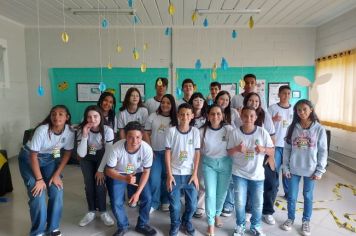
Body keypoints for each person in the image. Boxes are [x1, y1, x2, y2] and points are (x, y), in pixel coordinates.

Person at [18, 105, 75, 236]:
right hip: (29, 159)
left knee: (57, 189)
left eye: (61, 114)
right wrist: (39, 179)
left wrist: (56, 175)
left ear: (67, 117)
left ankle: (53, 228)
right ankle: (38, 231)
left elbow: (67, 153)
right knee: (37, 193)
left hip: (49, 159)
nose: (56, 117)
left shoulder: (70, 131)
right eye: (53, 114)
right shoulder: (42, 130)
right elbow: (33, 156)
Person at [281, 99, 328, 236]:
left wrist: (320, 170)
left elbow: (323, 151)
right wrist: (286, 167)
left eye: (305, 109)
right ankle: (290, 218)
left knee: (308, 196)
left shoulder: (319, 129)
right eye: (299, 110)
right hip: (294, 169)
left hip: (311, 170)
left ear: (311, 110)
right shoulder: (292, 127)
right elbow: (287, 149)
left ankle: (306, 221)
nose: (302, 112)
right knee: (292, 196)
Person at [227, 106, 274, 236]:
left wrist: (263, 149)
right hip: (239, 174)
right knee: (240, 202)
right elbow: (228, 152)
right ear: (241, 117)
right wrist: (237, 149)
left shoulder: (262, 132)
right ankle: (240, 226)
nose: (248, 118)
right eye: (245, 116)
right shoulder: (235, 132)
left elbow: (272, 151)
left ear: (256, 117)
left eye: (251, 116)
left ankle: (255, 226)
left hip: (257, 175)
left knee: (258, 204)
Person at [105, 121, 157, 236]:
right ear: (125, 136)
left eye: (138, 137)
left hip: (138, 173)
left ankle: (142, 224)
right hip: (118, 173)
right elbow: (108, 170)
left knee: (147, 197)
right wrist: (124, 179)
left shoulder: (147, 149)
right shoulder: (116, 148)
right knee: (116, 201)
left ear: (142, 136)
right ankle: (123, 226)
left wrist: (137, 193)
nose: (134, 141)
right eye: (130, 137)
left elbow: (146, 172)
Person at [165, 103, 200, 236]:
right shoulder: (171, 131)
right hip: (174, 173)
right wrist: (169, 175)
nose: (184, 117)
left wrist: (195, 173)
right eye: (182, 114)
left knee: (192, 205)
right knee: (175, 206)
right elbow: (167, 153)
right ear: (178, 115)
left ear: (192, 116)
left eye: (187, 114)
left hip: (190, 174)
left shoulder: (195, 132)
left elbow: (197, 153)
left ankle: (186, 221)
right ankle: (175, 223)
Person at [76, 105, 114, 227]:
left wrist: (101, 170)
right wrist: (85, 135)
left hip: (102, 157)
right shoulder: (82, 129)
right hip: (86, 157)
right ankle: (91, 211)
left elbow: (108, 152)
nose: (92, 119)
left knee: (99, 184)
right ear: (86, 118)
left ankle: (103, 211)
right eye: (89, 117)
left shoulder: (108, 130)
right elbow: (81, 154)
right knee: (89, 184)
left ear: (101, 116)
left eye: (95, 116)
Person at [243, 92, 276, 225]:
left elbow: (273, 136)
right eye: (251, 100)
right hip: (247, 157)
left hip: (264, 155)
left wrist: (271, 155)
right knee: (250, 183)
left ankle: (267, 211)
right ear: (246, 102)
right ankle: (248, 210)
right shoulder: (241, 114)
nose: (254, 103)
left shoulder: (265, 115)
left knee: (271, 184)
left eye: (256, 101)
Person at [201, 104, 233, 236]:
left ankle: (217, 214)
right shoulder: (201, 131)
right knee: (210, 193)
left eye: (218, 114)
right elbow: (196, 150)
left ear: (223, 116)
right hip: (209, 164)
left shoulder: (229, 129)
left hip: (226, 164)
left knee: (222, 193)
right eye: (212, 114)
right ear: (208, 116)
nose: (215, 116)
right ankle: (210, 223)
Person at [143, 94, 178, 213]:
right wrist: (150, 149)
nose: (165, 105)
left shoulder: (176, 119)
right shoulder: (153, 116)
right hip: (155, 152)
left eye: (168, 103)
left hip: (171, 154)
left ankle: (165, 201)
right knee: (154, 178)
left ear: (172, 105)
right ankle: (154, 202)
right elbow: (146, 133)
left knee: (166, 177)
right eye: (163, 102)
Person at [268, 85, 293, 200]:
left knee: (288, 170)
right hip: (276, 145)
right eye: (283, 93)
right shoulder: (272, 108)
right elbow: (265, 126)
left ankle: (288, 193)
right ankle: (274, 190)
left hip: (290, 146)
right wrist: (273, 119)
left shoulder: (294, 109)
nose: (286, 96)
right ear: (278, 95)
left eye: (288, 93)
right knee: (275, 170)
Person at [188, 92, 208, 218]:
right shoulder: (187, 116)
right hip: (187, 152)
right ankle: (190, 203)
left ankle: (200, 206)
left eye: (201, 100)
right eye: (196, 100)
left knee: (201, 180)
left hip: (202, 152)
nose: (198, 102)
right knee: (189, 178)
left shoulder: (207, 117)